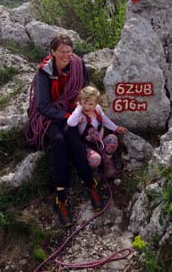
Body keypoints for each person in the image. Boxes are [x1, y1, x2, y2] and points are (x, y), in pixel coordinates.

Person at [24, 34, 104, 227]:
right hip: (49, 116)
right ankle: (60, 197)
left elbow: (84, 88)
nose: (66, 56)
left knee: (72, 136)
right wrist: (67, 117)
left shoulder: (77, 65)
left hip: (70, 110)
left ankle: (89, 183)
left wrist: (84, 108)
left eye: (69, 52)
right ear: (53, 52)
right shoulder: (44, 72)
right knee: (59, 140)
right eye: (62, 52)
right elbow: (42, 105)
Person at [67, 86, 127, 179]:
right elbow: (70, 122)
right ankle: (95, 170)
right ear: (80, 102)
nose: (86, 107)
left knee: (113, 139)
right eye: (84, 103)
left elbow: (104, 119)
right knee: (96, 159)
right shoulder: (79, 114)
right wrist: (79, 108)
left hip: (99, 141)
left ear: (96, 104)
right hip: (86, 146)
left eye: (90, 104)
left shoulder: (97, 109)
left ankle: (106, 163)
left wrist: (115, 127)